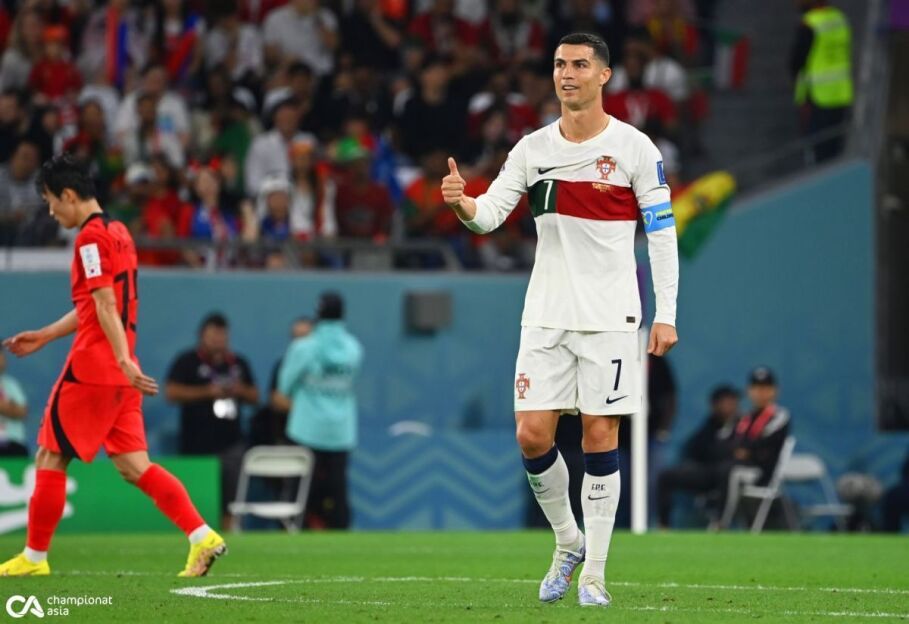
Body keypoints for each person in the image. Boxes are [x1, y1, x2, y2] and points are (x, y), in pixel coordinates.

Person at [441, 33, 679, 607]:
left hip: (611, 315)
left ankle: (594, 574)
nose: (566, 74)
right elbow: (489, 215)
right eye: (558, 64)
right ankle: (569, 542)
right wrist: (462, 204)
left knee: (600, 434)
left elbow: (662, 235)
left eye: (578, 64)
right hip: (546, 314)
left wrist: (665, 313)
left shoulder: (635, 149)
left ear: (604, 75)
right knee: (531, 435)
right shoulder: (532, 149)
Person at [0, 154, 225, 577]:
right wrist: (46, 335)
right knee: (134, 466)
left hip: (95, 366)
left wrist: (119, 358)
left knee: (49, 456)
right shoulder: (119, 233)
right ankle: (202, 536)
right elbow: (95, 306)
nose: (51, 212)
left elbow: (105, 305)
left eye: (51, 201)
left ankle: (34, 558)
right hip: (121, 370)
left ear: (69, 195)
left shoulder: (88, 240)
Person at [164, 312, 259, 529]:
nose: (218, 340)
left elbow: (255, 396)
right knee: (196, 498)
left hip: (230, 443)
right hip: (196, 442)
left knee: (229, 497)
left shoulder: (238, 363)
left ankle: (228, 532)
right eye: (213, 335)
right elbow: (171, 392)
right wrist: (207, 392)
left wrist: (239, 390)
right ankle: (196, 531)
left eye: (222, 335)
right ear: (201, 335)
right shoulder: (187, 361)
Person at [277, 292, 363, 529]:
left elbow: (284, 386)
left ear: (318, 314)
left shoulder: (303, 348)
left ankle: (293, 534)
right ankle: (342, 537)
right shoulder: (354, 348)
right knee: (338, 491)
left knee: (299, 491)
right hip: (341, 431)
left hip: (306, 429)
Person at [717, 367, 792, 529]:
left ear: (775, 391)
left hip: (763, 472)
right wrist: (740, 449)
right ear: (749, 391)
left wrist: (747, 450)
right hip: (741, 465)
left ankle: (722, 523)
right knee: (720, 467)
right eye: (756, 388)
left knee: (731, 472)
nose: (760, 393)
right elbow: (725, 441)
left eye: (765, 388)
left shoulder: (779, 416)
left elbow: (766, 441)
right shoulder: (744, 417)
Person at [656, 385, 739, 528]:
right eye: (725, 402)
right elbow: (693, 448)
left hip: (729, 474)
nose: (730, 406)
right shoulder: (710, 425)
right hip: (707, 472)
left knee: (725, 471)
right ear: (715, 405)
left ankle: (720, 524)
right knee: (666, 477)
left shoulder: (743, 424)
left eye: (732, 401)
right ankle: (663, 526)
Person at [790, 0, 853, 163]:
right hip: (841, 93)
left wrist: (799, 93)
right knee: (835, 151)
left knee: (818, 152)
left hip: (818, 96)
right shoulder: (839, 19)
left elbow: (796, 62)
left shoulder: (810, 24)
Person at [0, 345, 28, 457]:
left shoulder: (10, 384)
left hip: (13, 443)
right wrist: (9, 406)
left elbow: (22, 412)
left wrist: (7, 408)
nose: (3, 358)